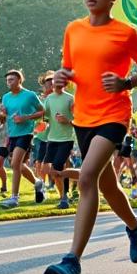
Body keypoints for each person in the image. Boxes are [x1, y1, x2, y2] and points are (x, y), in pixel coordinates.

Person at [42, 0, 137, 274]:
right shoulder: (73, 29)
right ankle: (136, 226)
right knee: (106, 186)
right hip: (83, 117)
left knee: (88, 176)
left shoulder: (125, 32)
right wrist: (64, 76)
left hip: (114, 115)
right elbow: (70, 66)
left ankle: (72, 261)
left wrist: (126, 82)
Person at [0, 70, 46, 209]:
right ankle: (38, 183)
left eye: (12, 79)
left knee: (15, 163)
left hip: (26, 133)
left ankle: (14, 198)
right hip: (12, 134)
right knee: (17, 165)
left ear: (20, 80)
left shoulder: (30, 95)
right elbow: (3, 119)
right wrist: (2, 114)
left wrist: (25, 118)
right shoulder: (6, 97)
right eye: (8, 80)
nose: (9, 82)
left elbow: (42, 112)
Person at [40, 76, 79, 208]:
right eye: (54, 81)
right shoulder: (49, 99)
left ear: (65, 83)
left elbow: (78, 119)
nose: (55, 82)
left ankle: (64, 198)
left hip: (66, 139)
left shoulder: (70, 98)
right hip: (52, 139)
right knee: (46, 169)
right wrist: (40, 122)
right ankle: (69, 188)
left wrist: (67, 121)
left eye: (58, 80)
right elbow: (44, 116)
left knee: (57, 166)